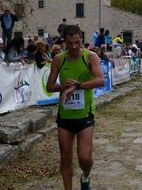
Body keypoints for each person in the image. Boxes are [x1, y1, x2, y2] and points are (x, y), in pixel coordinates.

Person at [47, 25, 104, 190]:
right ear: (64, 41)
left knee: (84, 158)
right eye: (70, 43)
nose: (73, 47)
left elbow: (100, 80)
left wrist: (78, 86)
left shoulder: (90, 57)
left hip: (85, 115)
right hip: (65, 116)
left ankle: (85, 177)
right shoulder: (59, 59)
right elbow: (49, 86)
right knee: (65, 158)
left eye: (77, 43)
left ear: (81, 40)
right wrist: (62, 87)